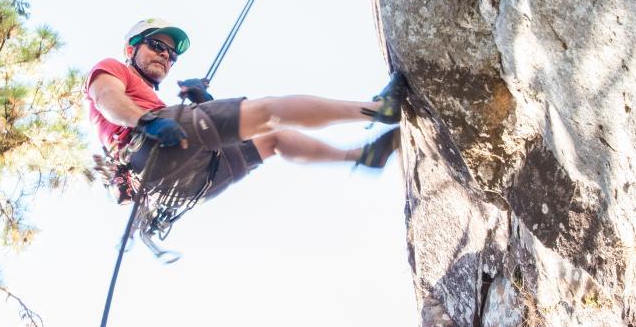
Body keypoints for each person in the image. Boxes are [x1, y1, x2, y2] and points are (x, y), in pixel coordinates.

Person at [85, 18, 405, 205]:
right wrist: (147, 121)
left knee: (274, 139)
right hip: (147, 150)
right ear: (131, 49)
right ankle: (379, 110)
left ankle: (363, 156)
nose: (165, 57)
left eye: (172, 56)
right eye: (157, 46)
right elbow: (106, 99)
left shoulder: (153, 106)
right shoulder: (113, 68)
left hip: (181, 185)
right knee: (267, 111)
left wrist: (202, 101)